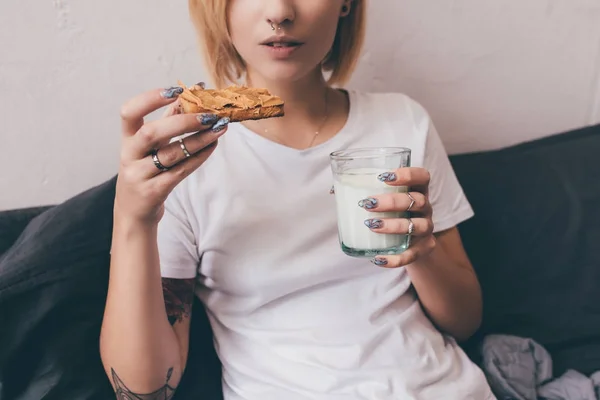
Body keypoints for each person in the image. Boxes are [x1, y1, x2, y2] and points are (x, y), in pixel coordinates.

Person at [99, 0, 496, 399]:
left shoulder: (402, 121)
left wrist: (419, 250)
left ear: (345, 5)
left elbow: (464, 322)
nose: (279, 13)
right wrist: (133, 218)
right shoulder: (184, 159)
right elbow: (145, 390)